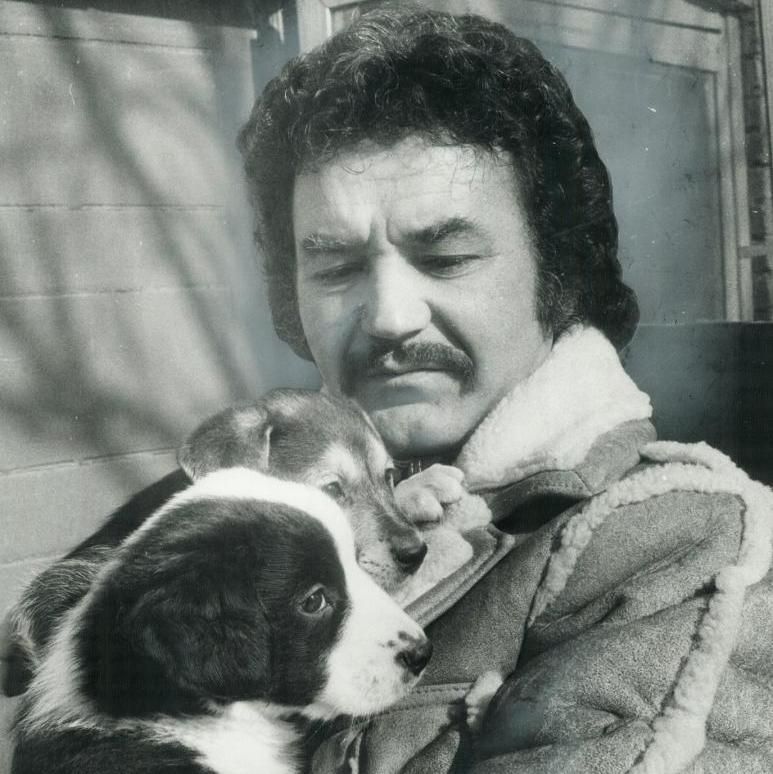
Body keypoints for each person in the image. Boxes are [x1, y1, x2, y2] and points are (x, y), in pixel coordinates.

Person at [236, 5, 773, 773]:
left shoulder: (680, 543)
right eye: (336, 267)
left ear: (557, 273)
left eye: (446, 258)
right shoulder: (230, 505)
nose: (387, 316)